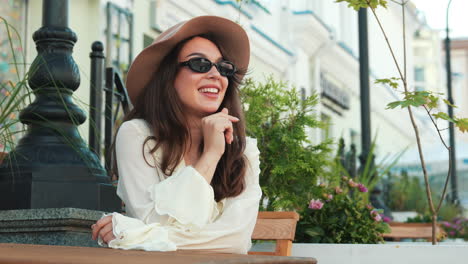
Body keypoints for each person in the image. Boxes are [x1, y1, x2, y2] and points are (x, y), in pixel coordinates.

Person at [90, 16, 261, 254]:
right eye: (199, 64)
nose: (215, 74)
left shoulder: (244, 153)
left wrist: (133, 233)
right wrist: (211, 155)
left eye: (224, 68)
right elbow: (153, 222)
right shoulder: (136, 135)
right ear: (168, 76)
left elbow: (236, 242)